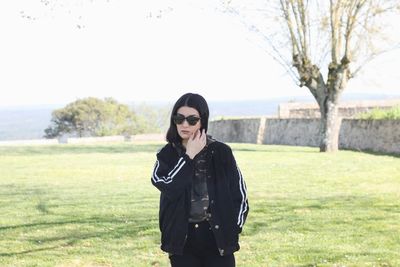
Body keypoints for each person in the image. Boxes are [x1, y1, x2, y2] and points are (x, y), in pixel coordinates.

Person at [151, 93, 249, 267]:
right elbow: (169, 187)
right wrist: (189, 155)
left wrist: (233, 227)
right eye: (179, 118)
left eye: (192, 119)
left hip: (217, 238)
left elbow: (239, 195)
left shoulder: (221, 152)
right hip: (182, 240)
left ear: (202, 121)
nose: (184, 124)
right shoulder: (167, 155)